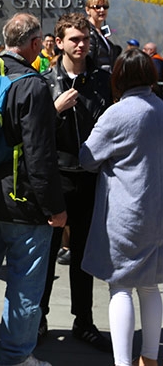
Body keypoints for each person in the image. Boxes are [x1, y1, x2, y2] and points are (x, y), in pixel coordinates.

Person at [0, 13, 66, 366]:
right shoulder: (32, 85)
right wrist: (55, 206)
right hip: (23, 204)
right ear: (36, 44)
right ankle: (16, 356)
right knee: (24, 287)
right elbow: (40, 153)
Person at [79, 48, 163, 366]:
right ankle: (150, 358)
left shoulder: (118, 113)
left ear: (119, 78)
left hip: (126, 213)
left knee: (121, 287)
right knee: (149, 285)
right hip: (158, 212)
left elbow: (88, 158)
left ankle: (123, 362)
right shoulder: (160, 107)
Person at [39, 13, 112, 351]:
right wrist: (54, 109)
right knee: (48, 253)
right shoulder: (44, 80)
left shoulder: (101, 80)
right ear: (59, 43)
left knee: (83, 255)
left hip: (91, 178)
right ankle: (38, 318)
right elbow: (34, 136)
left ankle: (84, 320)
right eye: (74, 39)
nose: (81, 45)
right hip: (57, 177)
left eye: (84, 39)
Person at [84, 0, 121, 72]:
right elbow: (87, 61)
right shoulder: (87, 31)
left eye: (105, 7)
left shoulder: (101, 32)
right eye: (97, 7)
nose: (102, 10)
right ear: (88, 10)